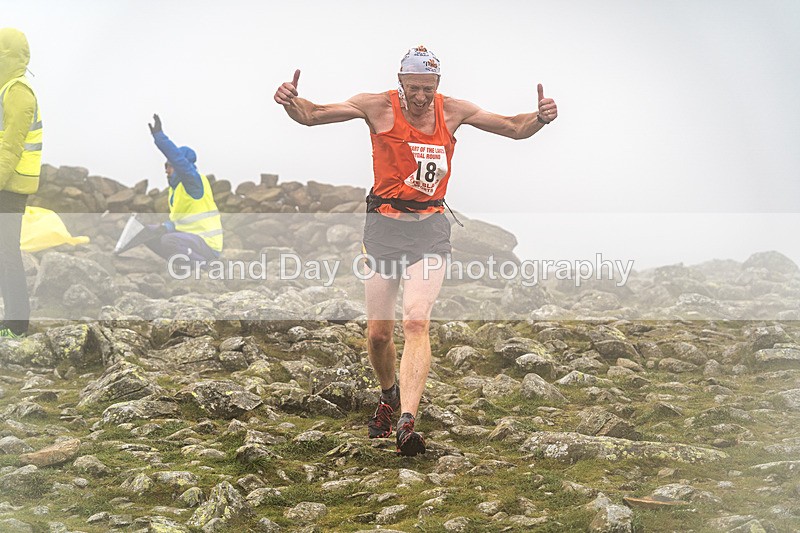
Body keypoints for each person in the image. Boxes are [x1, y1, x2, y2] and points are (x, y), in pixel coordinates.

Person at [274, 45, 558, 456]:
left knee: (416, 322)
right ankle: (388, 395)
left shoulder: (453, 111)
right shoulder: (376, 107)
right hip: (384, 228)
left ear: (438, 85)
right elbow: (313, 114)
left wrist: (541, 118)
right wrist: (290, 103)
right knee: (378, 334)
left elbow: (514, 127)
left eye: (428, 88)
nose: (421, 97)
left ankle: (407, 420)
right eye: (413, 88)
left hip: (429, 229)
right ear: (400, 82)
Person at [0, 28, 43, 338]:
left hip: (10, 187)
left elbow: (11, 146)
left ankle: (16, 326)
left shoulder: (18, 92)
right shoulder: (6, 89)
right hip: (6, 183)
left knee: (7, 253)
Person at [146, 114, 223, 267]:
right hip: (189, 238)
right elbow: (181, 222)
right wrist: (163, 228)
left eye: (169, 165)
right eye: (165, 166)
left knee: (170, 240)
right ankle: (182, 264)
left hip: (207, 244)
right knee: (147, 233)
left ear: (179, 165)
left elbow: (178, 160)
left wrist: (160, 138)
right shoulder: (176, 189)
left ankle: (203, 266)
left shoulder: (193, 182)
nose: (166, 170)